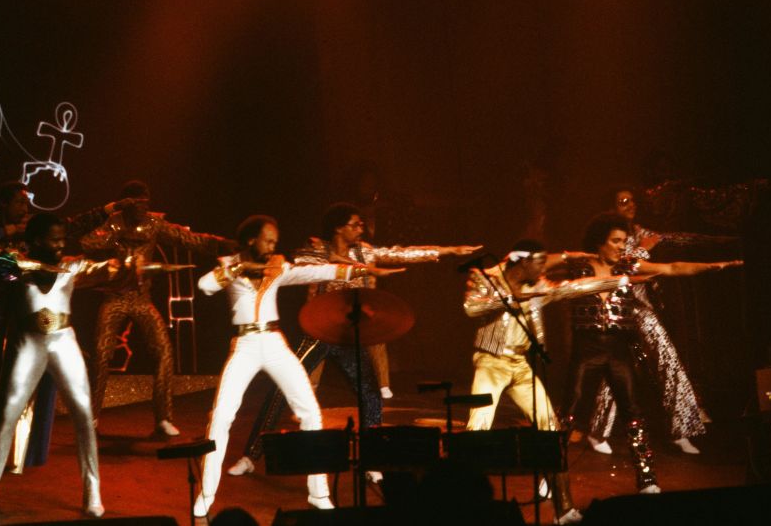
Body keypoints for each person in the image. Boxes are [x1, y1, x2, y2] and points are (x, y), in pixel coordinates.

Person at [226, 202, 479, 481]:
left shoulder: (364, 251)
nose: (361, 228)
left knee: (371, 396)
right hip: (318, 333)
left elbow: (399, 254)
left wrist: (446, 251)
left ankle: (372, 460)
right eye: (355, 224)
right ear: (338, 227)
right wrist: (349, 263)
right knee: (280, 392)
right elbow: (299, 267)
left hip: (348, 337)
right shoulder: (315, 251)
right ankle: (250, 455)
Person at [192, 215, 398, 518]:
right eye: (268, 239)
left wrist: (360, 268)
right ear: (251, 239)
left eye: (276, 241)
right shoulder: (229, 263)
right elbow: (204, 285)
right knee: (221, 416)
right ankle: (206, 493)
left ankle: (319, 493)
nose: (274, 246)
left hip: (275, 342)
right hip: (244, 345)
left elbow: (314, 271)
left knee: (311, 413)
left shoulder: (277, 266)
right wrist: (238, 269)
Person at [0, 181, 121, 458]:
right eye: (20, 202)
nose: (25, 208)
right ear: (3, 205)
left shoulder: (33, 223)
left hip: (25, 305)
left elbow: (72, 224)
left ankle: (25, 449)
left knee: (35, 369)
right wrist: (6, 231)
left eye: (26, 203)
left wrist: (108, 209)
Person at [561, 213, 742, 494]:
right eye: (616, 241)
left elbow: (672, 268)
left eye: (624, 241)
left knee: (634, 414)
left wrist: (715, 266)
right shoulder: (578, 267)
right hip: (587, 349)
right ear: (599, 243)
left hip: (616, 348)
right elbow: (543, 272)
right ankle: (551, 476)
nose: (623, 246)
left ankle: (647, 480)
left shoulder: (627, 265)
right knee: (569, 415)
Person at [0, 213, 125, 517]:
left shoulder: (72, 264)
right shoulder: (17, 265)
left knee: (84, 415)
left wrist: (122, 265)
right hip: (28, 343)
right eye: (53, 239)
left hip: (63, 342)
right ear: (36, 241)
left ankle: (92, 492)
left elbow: (105, 269)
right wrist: (25, 262)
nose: (60, 244)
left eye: (62, 239)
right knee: (6, 417)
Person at [584, 187, 739, 455]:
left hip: (641, 309)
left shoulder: (644, 234)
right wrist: (643, 251)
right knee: (615, 368)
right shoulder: (609, 238)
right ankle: (597, 432)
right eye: (623, 201)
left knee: (668, 360)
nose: (630, 205)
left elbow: (680, 240)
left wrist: (721, 242)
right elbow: (623, 265)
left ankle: (683, 430)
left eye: (632, 200)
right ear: (613, 208)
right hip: (614, 311)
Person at [463, 240, 608, 525]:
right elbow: (470, 308)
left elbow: (571, 288)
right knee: (476, 431)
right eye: (539, 262)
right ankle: (466, 505)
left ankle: (563, 510)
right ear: (523, 261)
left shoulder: (537, 284)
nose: (544, 268)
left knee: (550, 429)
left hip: (521, 365)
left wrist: (618, 280)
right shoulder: (485, 276)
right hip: (491, 362)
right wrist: (509, 296)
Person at [79, 180, 235, 437]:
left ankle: (163, 418)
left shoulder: (154, 224)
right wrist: (114, 226)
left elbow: (189, 240)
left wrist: (221, 244)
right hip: (115, 297)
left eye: (145, 202)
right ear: (126, 203)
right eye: (137, 202)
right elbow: (88, 244)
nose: (142, 207)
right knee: (101, 354)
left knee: (163, 351)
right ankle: (91, 417)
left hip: (141, 299)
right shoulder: (114, 223)